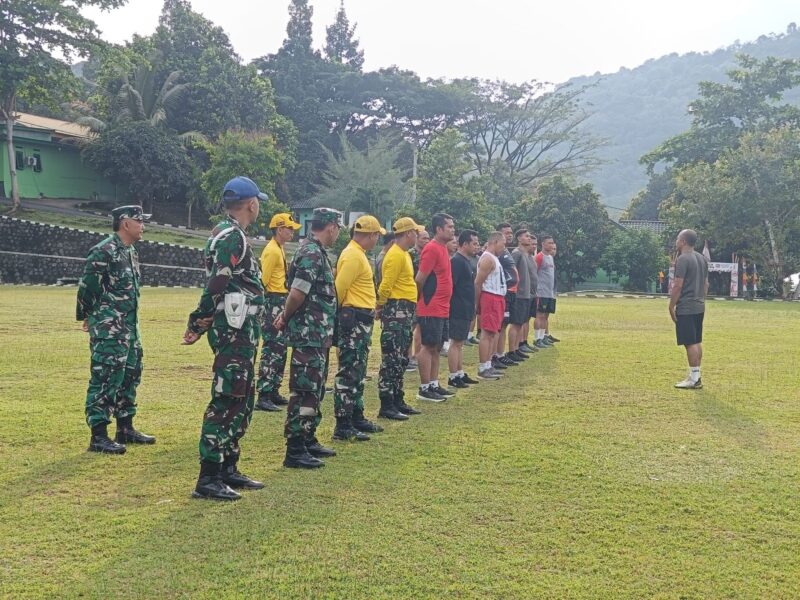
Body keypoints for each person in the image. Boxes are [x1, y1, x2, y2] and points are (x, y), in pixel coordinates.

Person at [183, 177, 266, 501]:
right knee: (227, 397)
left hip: (240, 328)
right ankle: (209, 476)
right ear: (252, 204)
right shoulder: (232, 237)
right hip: (233, 329)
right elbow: (218, 283)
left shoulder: (224, 232)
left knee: (242, 397)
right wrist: (198, 319)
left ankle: (228, 466)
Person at [77, 205, 155, 455]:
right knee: (106, 377)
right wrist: (88, 316)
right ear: (125, 223)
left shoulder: (131, 252)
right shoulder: (104, 251)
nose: (143, 226)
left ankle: (125, 428)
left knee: (131, 373)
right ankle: (98, 436)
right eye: (139, 221)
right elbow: (87, 288)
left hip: (129, 327)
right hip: (110, 329)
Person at [274, 207, 342, 468]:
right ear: (331, 227)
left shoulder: (317, 253)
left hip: (318, 336)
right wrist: (285, 316)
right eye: (337, 228)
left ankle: (308, 437)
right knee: (303, 390)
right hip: (308, 335)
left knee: (314, 389)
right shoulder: (311, 254)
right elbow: (297, 293)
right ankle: (295, 448)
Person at [332, 215, 385, 442]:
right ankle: (343, 424)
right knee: (349, 371)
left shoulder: (357, 254)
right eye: (376, 236)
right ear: (371, 235)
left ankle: (355, 415)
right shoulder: (353, 255)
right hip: (353, 320)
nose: (377, 240)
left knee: (358, 370)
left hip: (360, 321)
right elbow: (339, 289)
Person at [376, 217, 426, 420]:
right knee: (392, 358)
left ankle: (397, 399)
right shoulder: (395, 255)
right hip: (396, 309)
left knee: (401, 358)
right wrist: (380, 305)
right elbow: (386, 285)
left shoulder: (402, 254)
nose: (417, 235)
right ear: (408, 234)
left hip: (404, 309)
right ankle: (387, 404)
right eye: (415, 232)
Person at [255, 213, 301, 412]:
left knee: (280, 348)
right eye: (289, 229)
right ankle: (264, 393)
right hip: (273, 299)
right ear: (279, 229)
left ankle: (273, 389)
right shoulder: (272, 251)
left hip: (280, 299)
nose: (292, 232)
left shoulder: (279, 248)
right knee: (272, 348)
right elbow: (263, 282)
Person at [415, 213, 456, 401]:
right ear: (438, 229)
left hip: (443, 307)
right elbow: (420, 279)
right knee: (428, 346)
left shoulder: (443, 249)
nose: (452, 230)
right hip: (431, 306)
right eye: (449, 226)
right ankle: (424, 388)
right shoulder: (431, 249)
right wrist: (421, 300)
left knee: (437, 347)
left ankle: (433, 383)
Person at [669, 229, 709, 389]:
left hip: (686, 306)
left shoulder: (683, 259)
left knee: (689, 342)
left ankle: (694, 379)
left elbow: (678, 285)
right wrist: (701, 300)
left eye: (678, 238)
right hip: (699, 305)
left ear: (683, 241)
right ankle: (696, 376)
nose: (676, 241)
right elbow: (706, 284)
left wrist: (671, 305)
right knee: (696, 341)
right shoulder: (702, 258)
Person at [447, 229, 481, 389]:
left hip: (466, 307)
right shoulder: (457, 261)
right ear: (465, 244)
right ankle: (453, 376)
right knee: (456, 342)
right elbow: (451, 286)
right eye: (474, 243)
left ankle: (459, 372)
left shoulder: (466, 260)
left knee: (460, 343)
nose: (477, 246)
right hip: (458, 308)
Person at [475, 232, 507, 380]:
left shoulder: (494, 258)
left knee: (493, 333)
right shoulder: (487, 258)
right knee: (487, 333)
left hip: (497, 297)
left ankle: (488, 364)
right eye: (503, 243)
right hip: (490, 297)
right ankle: (483, 367)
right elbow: (478, 282)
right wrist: (477, 303)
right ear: (494, 241)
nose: (504, 247)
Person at [508, 229, 536, 362]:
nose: (529, 238)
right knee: (515, 323)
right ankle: (511, 351)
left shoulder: (526, 254)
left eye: (530, 236)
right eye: (526, 236)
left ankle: (517, 348)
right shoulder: (517, 253)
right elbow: (511, 272)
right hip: (518, 294)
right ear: (519, 238)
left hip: (526, 294)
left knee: (520, 324)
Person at [494, 223, 520, 369]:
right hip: (503, 293)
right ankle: (495, 356)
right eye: (506, 233)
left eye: (511, 232)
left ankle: (500, 354)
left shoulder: (506, 251)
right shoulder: (496, 253)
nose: (510, 235)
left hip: (510, 293)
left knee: (504, 325)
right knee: (499, 326)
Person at [534, 235, 557, 349]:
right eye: (549, 243)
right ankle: (537, 338)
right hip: (541, 292)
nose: (551, 245)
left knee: (545, 316)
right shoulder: (539, 257)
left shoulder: (550, 257)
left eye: (552, 243)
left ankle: (543, 337)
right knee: (539, 315)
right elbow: (534, 273)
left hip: (549, 293)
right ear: (542, 244)